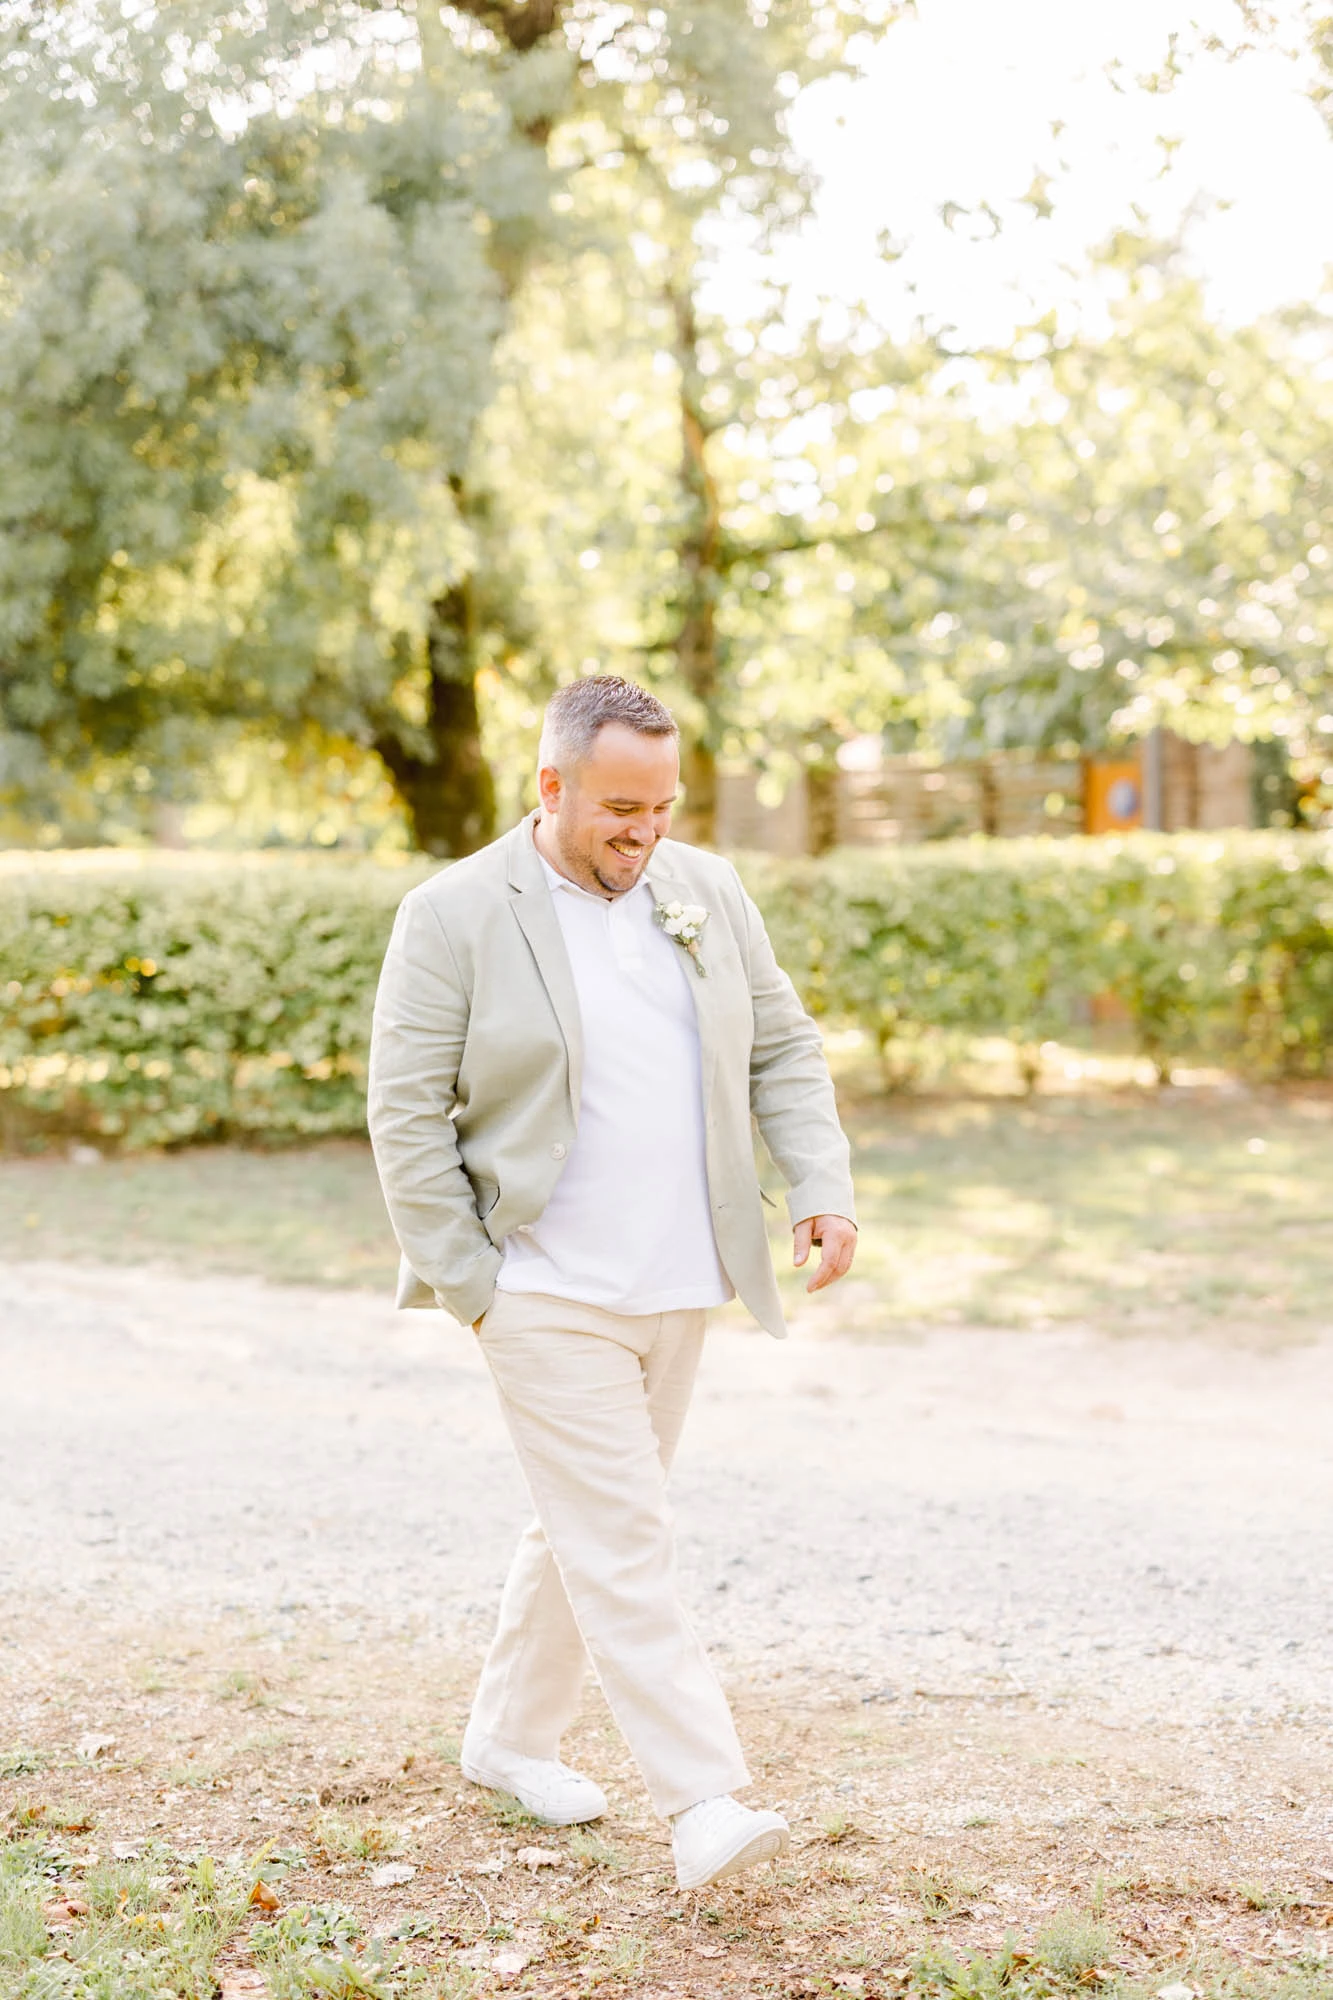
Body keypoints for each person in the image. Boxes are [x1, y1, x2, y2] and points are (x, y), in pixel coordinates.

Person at [367, 675, 857, 1890]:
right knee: (626, 1532)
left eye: (662, 807)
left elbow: (782, 1042)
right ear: (551, 786)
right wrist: (474, 1281)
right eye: (620, 810)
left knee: (584, 1521)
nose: (645, 834)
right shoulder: (453, 912)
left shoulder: (706, 890)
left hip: (679, 1275)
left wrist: (819, 1181)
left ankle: (507, 1738)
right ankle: (703, 1799)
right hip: (538, 1283)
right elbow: (404, 1112)